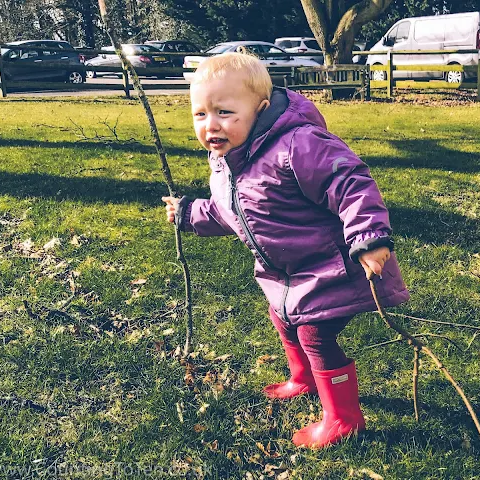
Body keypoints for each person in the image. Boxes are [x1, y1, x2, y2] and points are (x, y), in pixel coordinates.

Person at [163, 52, 409, 449]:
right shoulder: (228, 162)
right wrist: (191, 213)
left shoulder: (298, 145)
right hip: (286, 273)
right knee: (283, 318)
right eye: (200, 114)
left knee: (314, 334)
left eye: (225, 112)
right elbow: (233, 211)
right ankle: (305, 378)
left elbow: (350, 182)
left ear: (260, 109)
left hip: (332, 266)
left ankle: (343, 419)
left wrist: (369, 238)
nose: (211, 125)